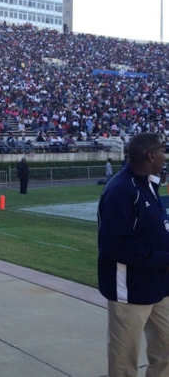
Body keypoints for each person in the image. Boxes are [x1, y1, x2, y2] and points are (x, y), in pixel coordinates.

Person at [98, 132, 169, 376]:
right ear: (151, 155)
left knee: (166, 351)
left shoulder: (148, 183)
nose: (164, 155)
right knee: (124, 361)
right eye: (162, 150)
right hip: (129, 290)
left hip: (160, 286)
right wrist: (164, 259)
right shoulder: (121, 189)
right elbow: (115, 246)